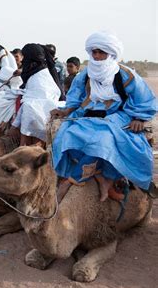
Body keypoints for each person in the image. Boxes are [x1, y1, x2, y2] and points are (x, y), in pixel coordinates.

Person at [51, 31, 156, 203]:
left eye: (102, 52)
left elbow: (144, 99)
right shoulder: (85, 74)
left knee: (102, 141)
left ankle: (73, 182)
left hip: (116, 117)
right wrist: (65, 111)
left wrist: (139, 118)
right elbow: (75, 97)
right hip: (87, 116)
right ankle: (99, 178)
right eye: (95, 52)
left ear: (111, 53)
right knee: (67, 136)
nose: (97, 56)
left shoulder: (125, 75)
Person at [10, 43, 63, 146]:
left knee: (28, 111)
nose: (21, 60)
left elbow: (29, 105)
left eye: (24, 57)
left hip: (43, 117)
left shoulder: (39, 78)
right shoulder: (38, 73)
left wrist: (14, 126)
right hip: (40, 117)